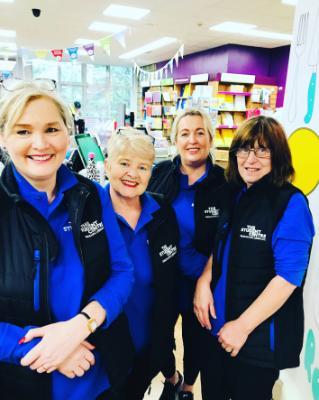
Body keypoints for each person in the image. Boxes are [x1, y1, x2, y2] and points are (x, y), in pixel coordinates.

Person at [0, 82, 134, 400]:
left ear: (68, 134)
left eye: (51, 129)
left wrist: (81, 326)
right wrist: (49, 349)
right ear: (3, 137)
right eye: (23, 131)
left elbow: (122, 272)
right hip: (23, 380)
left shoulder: (91, 196)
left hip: (98, 373)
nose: (40, 143)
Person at [194, 116, 315, 400]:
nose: (251, 159)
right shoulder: (236, 194)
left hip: (255, 343)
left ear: (279, 155)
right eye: (245, 149)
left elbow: (288, 278)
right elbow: (223, 245)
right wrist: (204, 279)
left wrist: (242, 327)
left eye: (263, 150)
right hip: (219, 331)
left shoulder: (290, 204)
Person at [148, 108, 226, 400]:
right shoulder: (159, 174)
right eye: (184, 133)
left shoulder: (224, 183)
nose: (192, 139)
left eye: (199, 132)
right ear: (174, 139)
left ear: (210, 138)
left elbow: (227, 238)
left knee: (197, 342)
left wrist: (205, 280)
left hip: (201, 283)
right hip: (162, 278)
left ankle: (188, 387)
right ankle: (172, 376)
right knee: (156, 341)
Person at [104, 133, 179, 400]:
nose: (132, 174)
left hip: (149, 341)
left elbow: (169, 278)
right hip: (102, 348)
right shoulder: (88, 212)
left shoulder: (161, 211)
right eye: (124, 163)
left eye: (142, 167)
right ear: (107, 165)